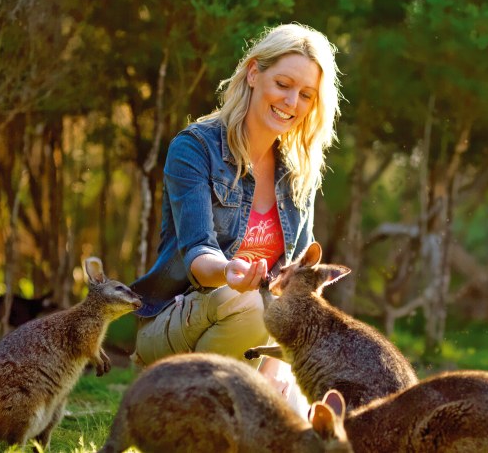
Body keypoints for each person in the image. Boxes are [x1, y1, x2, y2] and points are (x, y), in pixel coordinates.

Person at [129, 23, 342, 408]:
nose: (291, 101)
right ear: (254, 72)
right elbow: (197, 253)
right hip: (176, 325)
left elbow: (295, 283)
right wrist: (229, 272)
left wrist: (277, 367)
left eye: (306, 94)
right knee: (245, 303)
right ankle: (179, 412)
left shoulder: (299, 171)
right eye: (283, 84)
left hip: (261, 337)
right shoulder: (195, 148)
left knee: (303, 418)